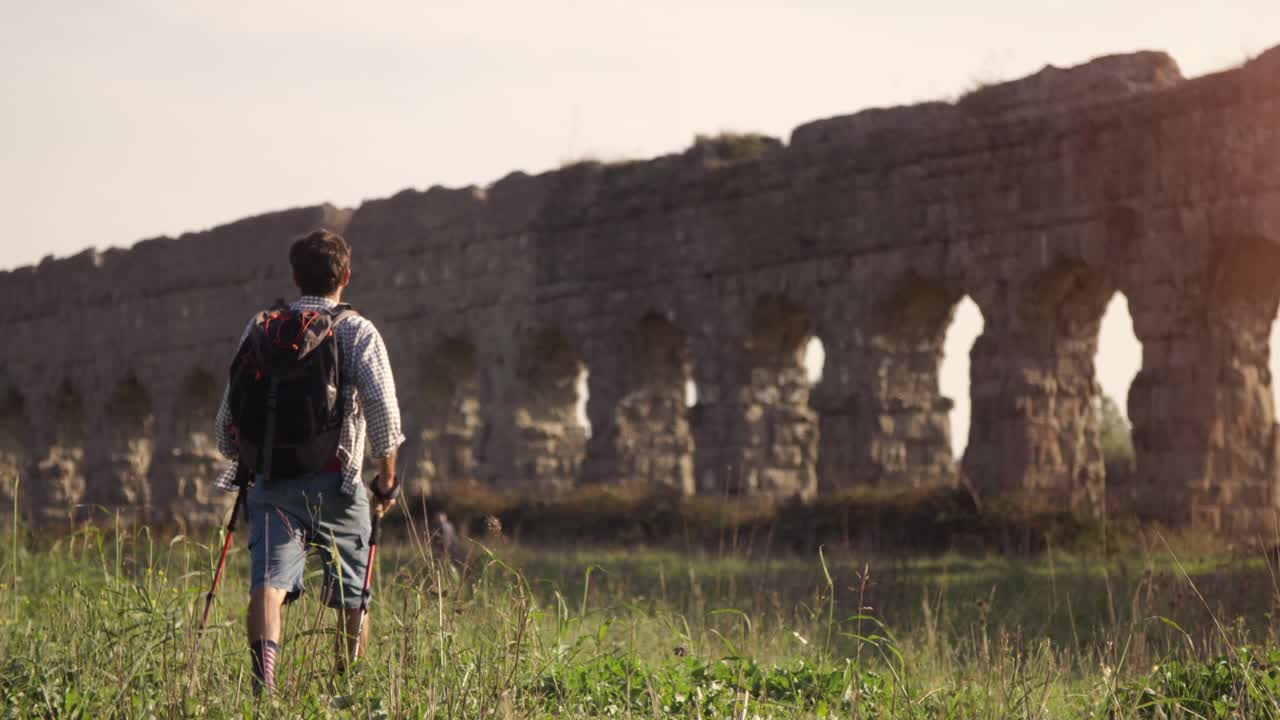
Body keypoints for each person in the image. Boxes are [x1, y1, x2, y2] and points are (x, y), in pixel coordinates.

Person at [212, 229, 404, 695]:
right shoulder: (357, 329)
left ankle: (267, 688)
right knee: (352, 596)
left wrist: (243, 458)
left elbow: (226, 418)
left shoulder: (260, 328)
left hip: (272, 482)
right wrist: (387, 480)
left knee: (269, 585)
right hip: (338, 485)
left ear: (296, 277)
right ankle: (346, 691)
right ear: (346, 277)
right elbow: (383, 411)